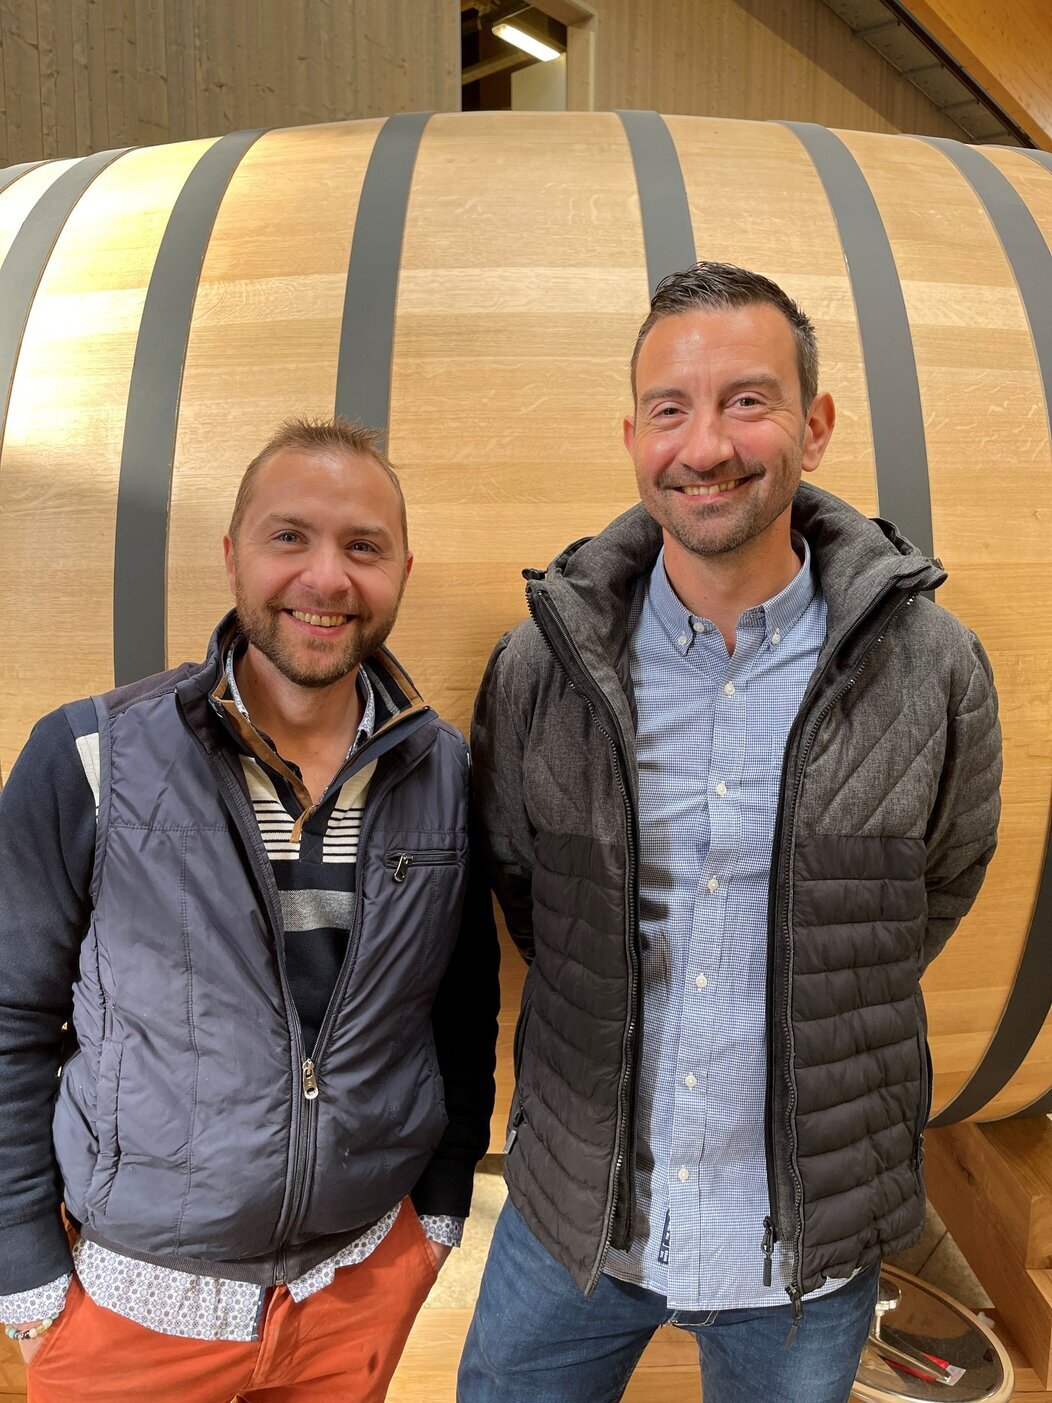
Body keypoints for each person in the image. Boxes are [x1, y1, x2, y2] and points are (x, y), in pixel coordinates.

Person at [460, 262, 1001, 1403]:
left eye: (746, 401)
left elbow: (934, 883)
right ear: (632, 436)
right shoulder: (539, 666)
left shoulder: (931, 666)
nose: (704, 444)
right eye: (671, 409)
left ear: (813, 423)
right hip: (572, 1224)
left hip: (801, 1246)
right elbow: (526, 888)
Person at [0, 417, 498, 1403]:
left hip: (355, 1288)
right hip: (129, 1309)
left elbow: (459, 1007)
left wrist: (435, 1215)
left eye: (362, 546)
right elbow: (10, 1017)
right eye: (288, 536)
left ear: (402, 567)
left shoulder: (445, 773)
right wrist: (22, 1259)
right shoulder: (89, 757)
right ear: (231, 555)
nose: (325, 577)